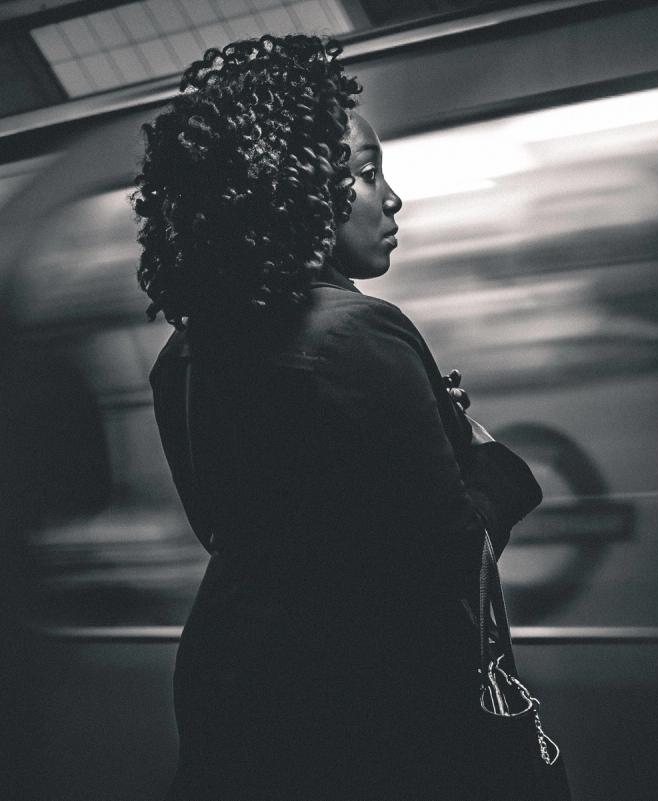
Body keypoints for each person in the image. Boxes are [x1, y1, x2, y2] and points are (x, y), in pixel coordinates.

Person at [133, 33, 542, 801]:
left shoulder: (181, 357)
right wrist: (477, 451)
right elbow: (453, 551)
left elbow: (230, 528)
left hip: (236, 694)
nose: (389, 197)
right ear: (292, 190)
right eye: (364, 172)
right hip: (363, 720)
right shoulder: (360, 333)